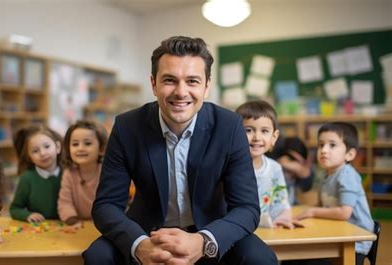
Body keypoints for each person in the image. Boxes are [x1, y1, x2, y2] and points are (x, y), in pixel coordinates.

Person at [83, 36, 277, 265]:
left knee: (260, 258)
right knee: (98, 256)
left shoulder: (230, 126)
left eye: (192, 81)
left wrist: (203, 241)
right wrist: (140, 245)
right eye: (169, 80)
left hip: (210, 231)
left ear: (206, 87)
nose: (181, 92)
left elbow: (247, 208)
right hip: (147, 233)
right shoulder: (127, 127)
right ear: (153, 84)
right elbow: (106, 205)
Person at [289, 122, 374, 265]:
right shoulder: (327, 175)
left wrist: (313, 212)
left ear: (349, 154)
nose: (324, 150)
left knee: (297, 261)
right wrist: (304, 214)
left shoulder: (346, 175)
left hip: (354, 243)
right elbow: (321, 207)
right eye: (321, 145)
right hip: (336, 235)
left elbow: (344, 213)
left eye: (332, 145)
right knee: (293, 257)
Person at [236, 100, 295, 229]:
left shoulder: (275, 168)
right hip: (238, 231)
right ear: (234, 134)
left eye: (264, 131)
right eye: (249, 130)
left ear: (274, 137)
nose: (257, 137)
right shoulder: (229, 168)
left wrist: (282, 218)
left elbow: (282, 203)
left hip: (269, 230)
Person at [57, 120, 108, 228]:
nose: (80, 148)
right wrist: (73, 220)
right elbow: (65, 203)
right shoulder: (69, 174)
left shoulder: (107, 172)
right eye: (75, 144)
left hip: (105, 225)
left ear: (102, 149)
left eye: (87, 143)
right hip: (78, 225)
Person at [10, 124, 63, 222]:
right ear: (29, 157)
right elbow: (14, 209)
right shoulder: (27, 178)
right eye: (35, 151)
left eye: (47, 146)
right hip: (40, 228)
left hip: (68, 228)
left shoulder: (68, 174)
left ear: (58, 147)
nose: (42, 153)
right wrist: (27, 215)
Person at [269, 136, 315, 205]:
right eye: (291, 158)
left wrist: (299, 169)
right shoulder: (272, 170)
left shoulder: (299, 173)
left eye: (297, 163)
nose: (293, 165)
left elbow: (307, 186)